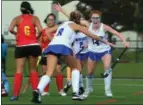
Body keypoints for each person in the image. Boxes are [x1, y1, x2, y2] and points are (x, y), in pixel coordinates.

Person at [32, 10, 114, 103]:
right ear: (78, 19)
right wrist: (106, 42)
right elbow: (93, 36)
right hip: (63, 47)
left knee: (49, 72)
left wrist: (54, 40)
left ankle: (38, 90)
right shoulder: (76, 26)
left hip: (52, 46)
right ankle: (76, 93)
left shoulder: (62, 24)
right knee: (76, 68)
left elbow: (47, 31)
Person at [82, 10, 129, 98]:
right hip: (92, 51)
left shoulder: (104, 27)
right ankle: (88, 88)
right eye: (93, 18)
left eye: (97, 18)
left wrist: (125, 41)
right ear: (91, 18)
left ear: (100, 18)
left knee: (107, 67)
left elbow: (117, 33)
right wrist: (61, 10)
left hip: (104, 51)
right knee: (90, 72)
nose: (95, 20)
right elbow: (74, 18)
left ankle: (108, 90)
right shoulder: (88, 25)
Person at [8, 1, 43, 101]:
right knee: (33, 70)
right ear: (29, 8)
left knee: (19, 71)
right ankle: (36, 93)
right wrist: (36, 37)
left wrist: (16, 34)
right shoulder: (34, 18)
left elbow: (10, 29)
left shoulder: (17, 18)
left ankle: (15, 95)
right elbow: (41, 30)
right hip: (33, 45)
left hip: (21, 46)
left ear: (21, 9)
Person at [39, 13, 64, 96]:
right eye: (49, 19)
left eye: (52, 20)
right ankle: (45, 91)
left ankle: (60, 90)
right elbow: (40, 42)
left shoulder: (58, 31)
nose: (50, 21)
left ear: (54, 21)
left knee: (58, 70)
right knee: (45, 72)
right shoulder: (43, 31)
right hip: (45, 54)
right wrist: (41, 49)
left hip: (55, 53)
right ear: (46, 20)